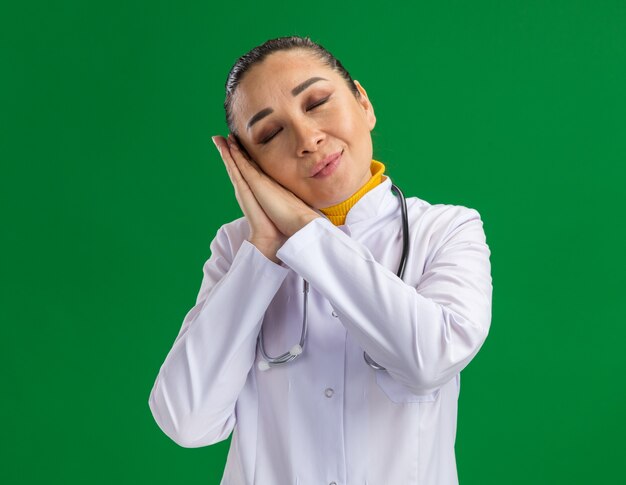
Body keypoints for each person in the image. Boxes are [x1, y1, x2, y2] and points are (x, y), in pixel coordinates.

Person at [148, 36, 493, 485]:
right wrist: (265, 252)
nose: (308, 138)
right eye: (270, 133)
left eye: (316, 102)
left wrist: (305, 231)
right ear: (251, 166)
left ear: (363, 103)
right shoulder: (239, 248)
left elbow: (429, 361)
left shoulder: (447, 229)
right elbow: (187, 420)